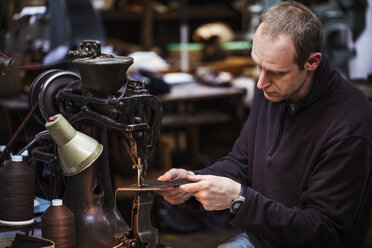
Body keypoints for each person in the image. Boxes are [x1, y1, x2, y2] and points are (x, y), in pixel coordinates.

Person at [158, 1, 372, 247]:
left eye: (276, 72)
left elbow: (325, 232)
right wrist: (193, 181)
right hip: (261, 240)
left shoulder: (349, 126)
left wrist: (239, 201)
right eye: (257, 65)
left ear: (312, 62)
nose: (261, 83)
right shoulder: (273, 90)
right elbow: (241, 161)